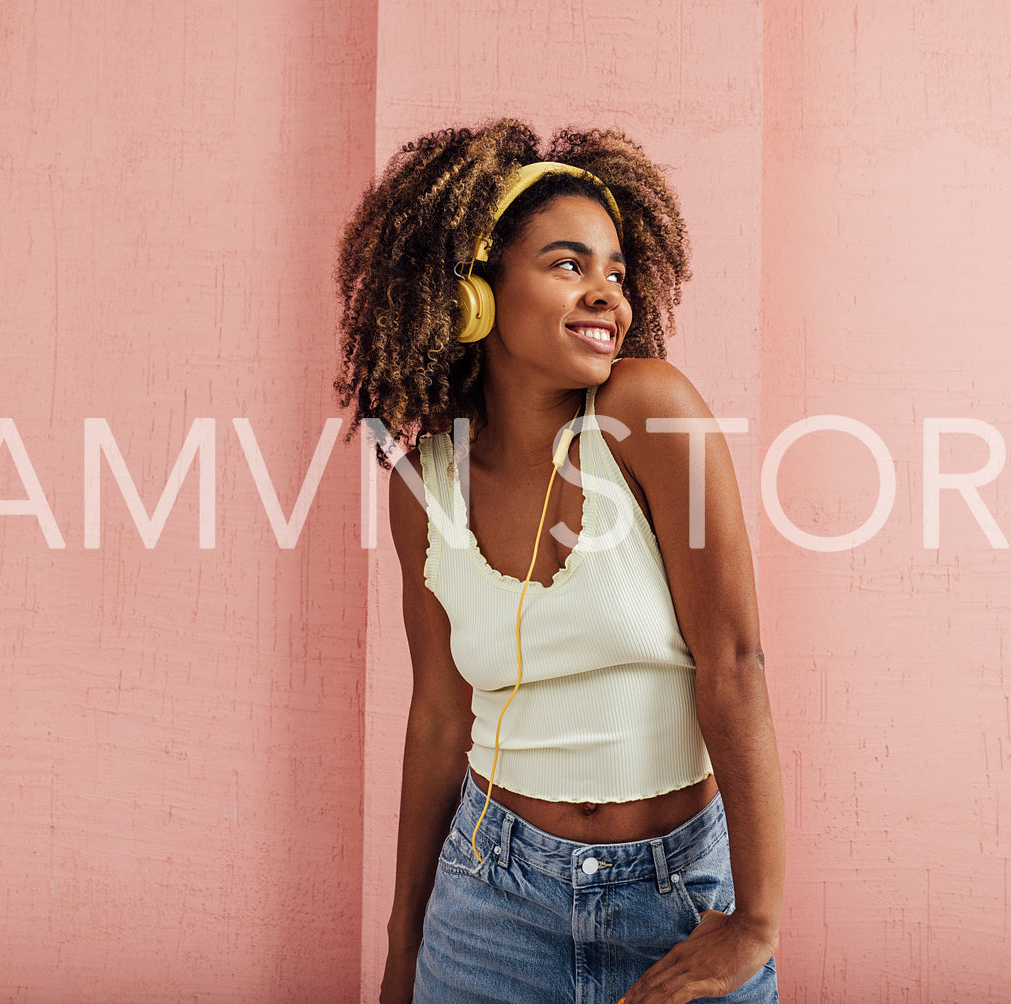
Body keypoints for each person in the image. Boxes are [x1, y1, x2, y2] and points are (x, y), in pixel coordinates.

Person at [333, 119, 783, 1004]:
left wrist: (755, 924)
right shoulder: (421, 483)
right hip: (488, 898)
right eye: (569, 265)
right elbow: (436, 716)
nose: (607, 295)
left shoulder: (650, 412)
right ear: (473, 293)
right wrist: (401, 944)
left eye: (616, 272)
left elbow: (734, 664)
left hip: (674, 897)